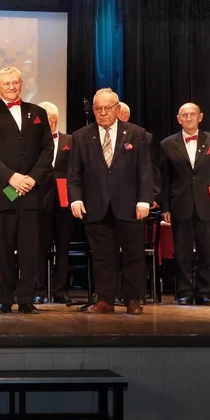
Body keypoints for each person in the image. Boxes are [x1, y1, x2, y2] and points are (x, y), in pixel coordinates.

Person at [68, 88, 152, 315]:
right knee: (102, 257)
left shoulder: (136, 134)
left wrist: (144, 201)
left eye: (107, 108)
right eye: (98, 109)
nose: (103, 113)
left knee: (133, 255)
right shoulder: (81, 136)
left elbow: (145, 171)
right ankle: (105, 299)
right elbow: (74, 174)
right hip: (95, 206)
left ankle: (133, 299)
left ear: (117, 108)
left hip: (130, 206)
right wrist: (75, 200)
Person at [0, 67, 53, 314]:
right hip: (3, 191)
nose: (11, 87)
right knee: (2, 250)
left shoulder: (38, 113)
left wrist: (31, 179)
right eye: (6, 83)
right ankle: (4, 299)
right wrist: (11, 178)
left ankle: (26, 299)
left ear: (21, 84)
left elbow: (47, 149)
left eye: (15, 82)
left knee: (30, 250)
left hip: (31, 192)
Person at [160, 102, 210, 306]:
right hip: (180, 204)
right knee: (182, 253)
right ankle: (184, 292)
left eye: (192, 114)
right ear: (178, 119)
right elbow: (165, 179)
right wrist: (165, 207)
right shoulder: (167, 144)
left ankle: (205, 292)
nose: (189, 118)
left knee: (206, 250)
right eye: (185, 115)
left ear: (200, 117)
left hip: (208, 204)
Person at [35, 101, 75, 304]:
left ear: (53, 119)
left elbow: (76, 169)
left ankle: (60, 290)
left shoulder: (71, 141)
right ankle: (39, 290)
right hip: (40, 201)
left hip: (64, 203)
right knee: (39, 247)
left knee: (63, 247)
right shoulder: (32, 143)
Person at [119, 102, 162, 206]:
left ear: (125, 116)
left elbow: (151, 168)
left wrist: (153, 195)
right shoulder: (99, 136)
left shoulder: (142, 136)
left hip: (132, 196)